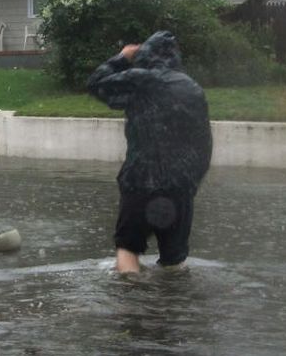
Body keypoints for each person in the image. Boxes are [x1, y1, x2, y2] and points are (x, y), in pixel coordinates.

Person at [87, 31, 213, 273]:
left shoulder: (142, 80)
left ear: (146, 55)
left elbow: (96, 84)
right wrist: (191, 182)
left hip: (140, 182)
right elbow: (204, 143)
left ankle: (131, 303)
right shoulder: (192, 88)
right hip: (180, 186)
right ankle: (172, 306)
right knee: (174, 261)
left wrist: (122, 57)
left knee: (128, 249)